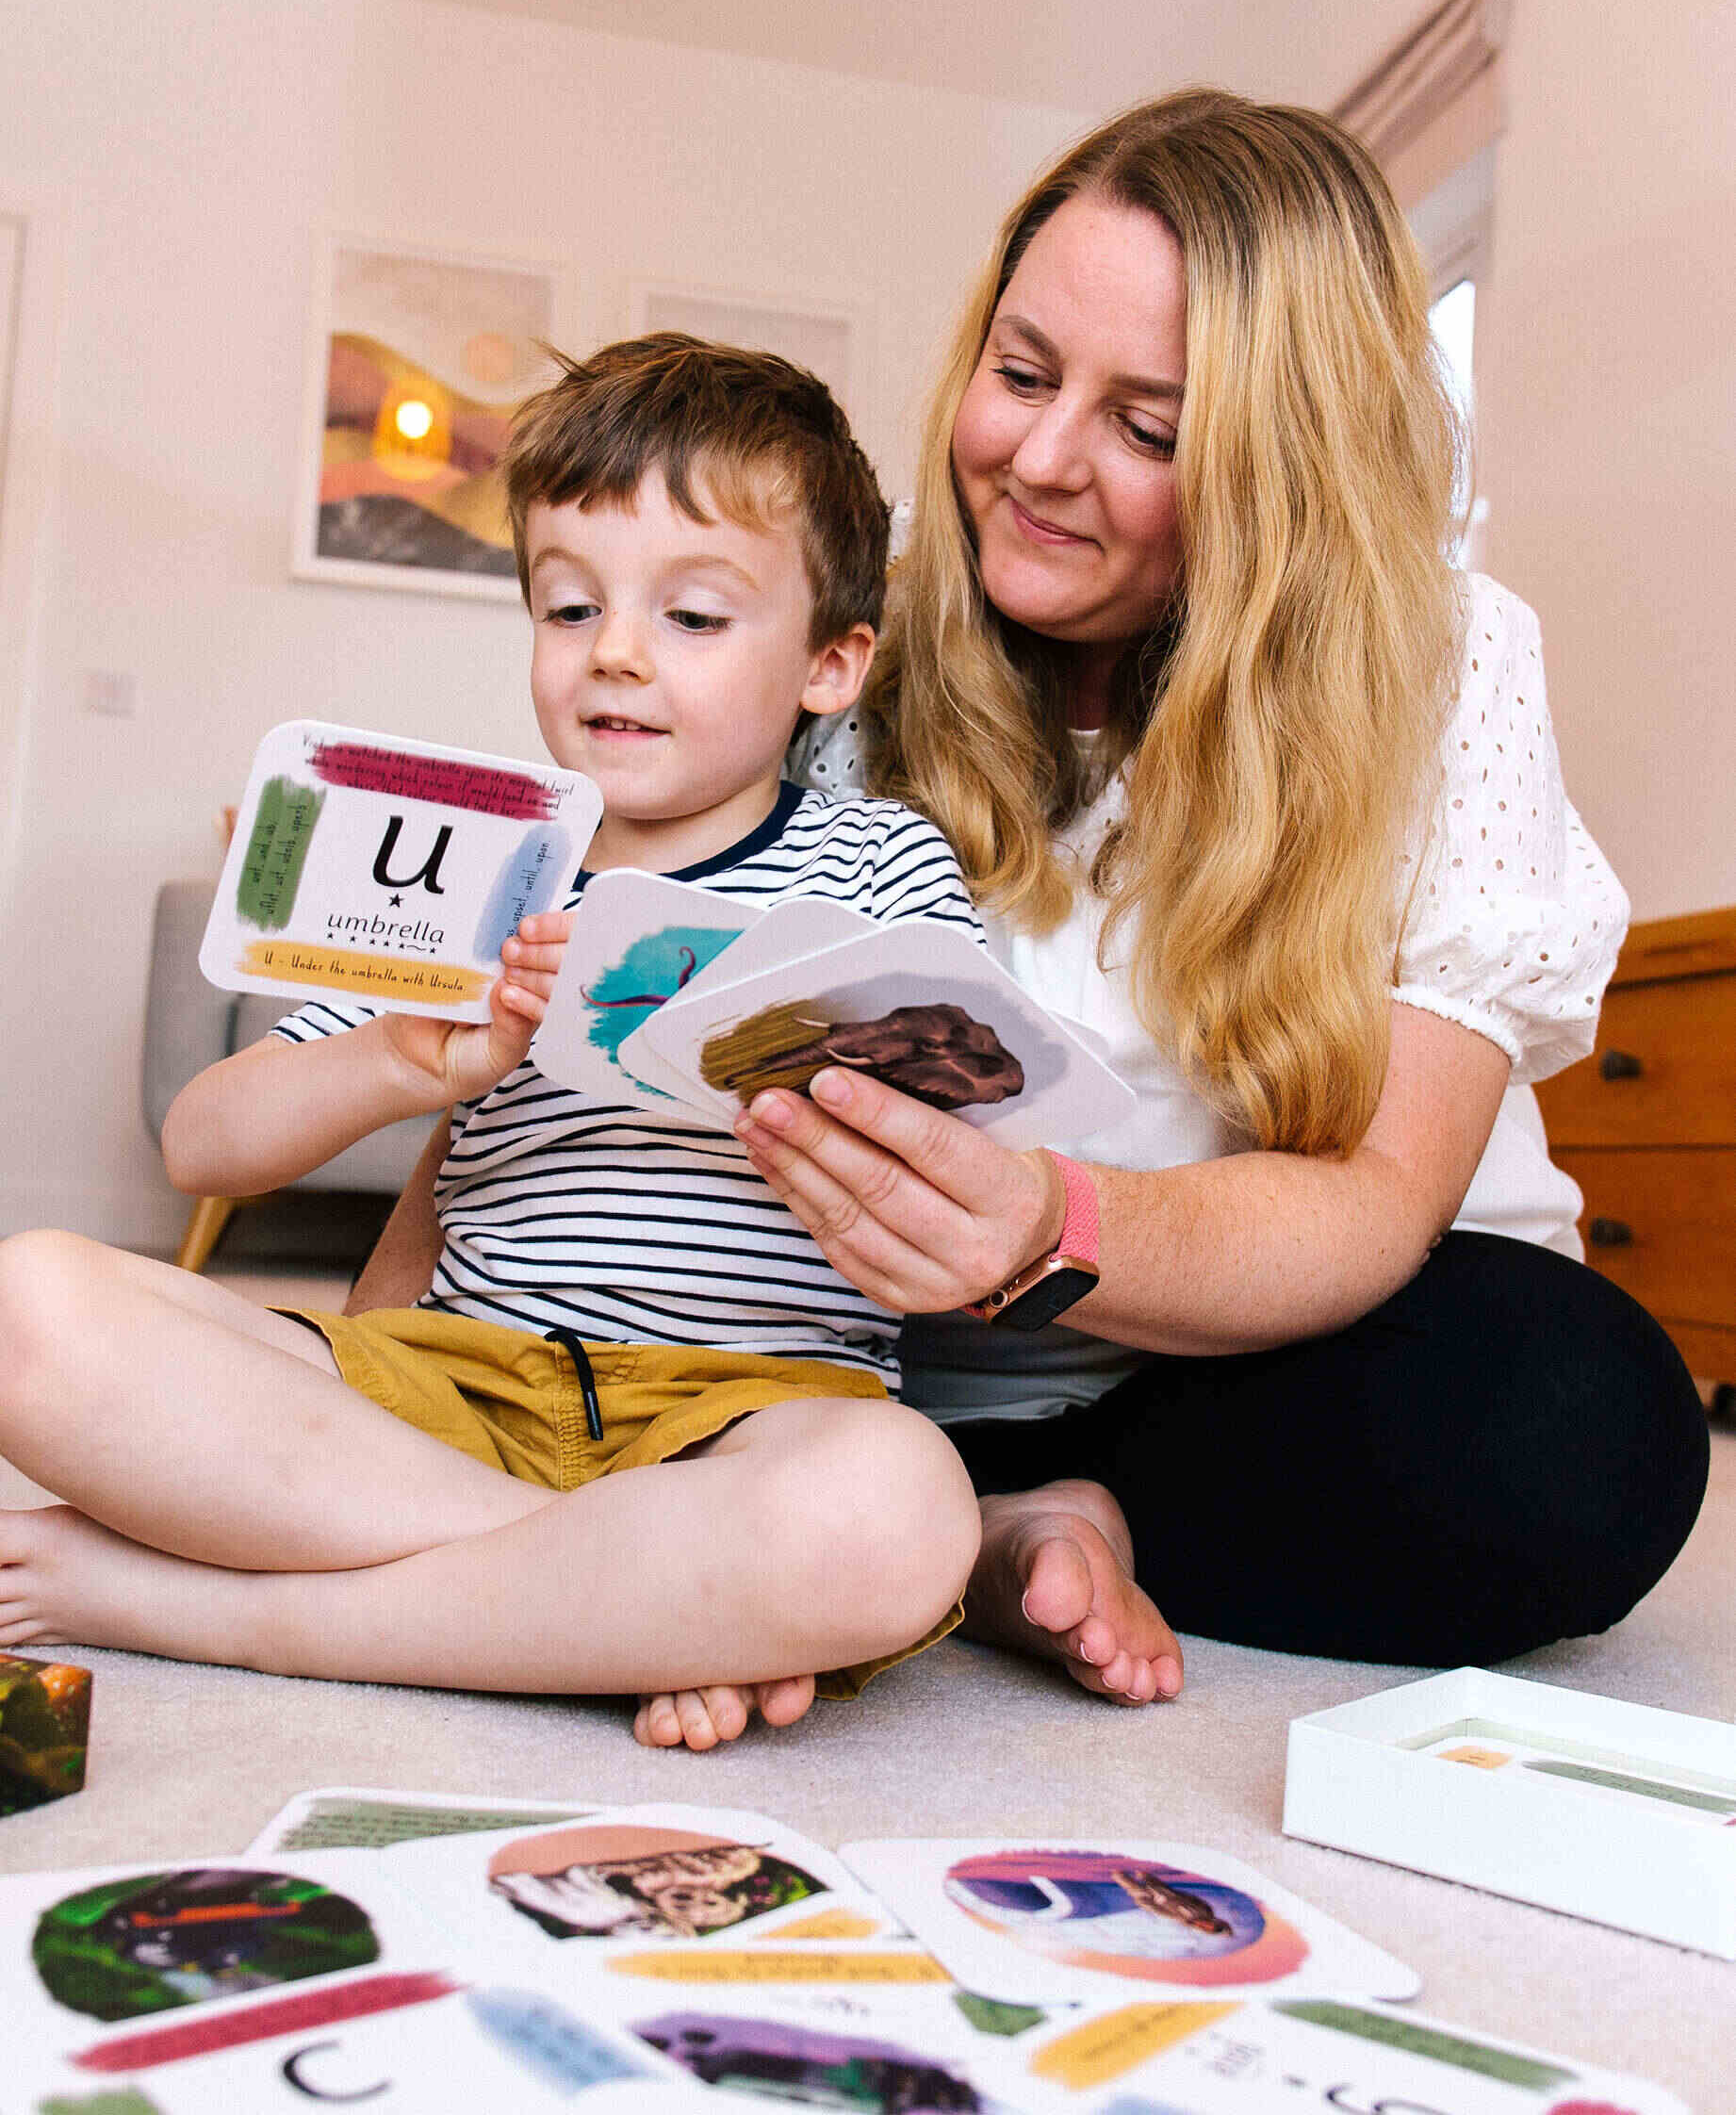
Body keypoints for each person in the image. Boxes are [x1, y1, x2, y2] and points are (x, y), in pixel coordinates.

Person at [753, 90, 1710, 1699]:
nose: (1039, 465)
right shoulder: (845, 619)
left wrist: (1047, 1226)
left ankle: (1023, 1519)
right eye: (1020, 372)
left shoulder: (1446, 662)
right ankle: (971, 1524)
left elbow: (1376, 1200)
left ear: (1284, 470)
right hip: (879, 1359)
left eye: (1148, 429)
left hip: (1244, 1363)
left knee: (1576, 1424)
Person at [0, 335, 984, 1751]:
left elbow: (956, 1126)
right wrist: (403, 1066)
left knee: (894, 1513)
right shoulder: (475, 864)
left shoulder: (878, 863)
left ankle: (214, 1614)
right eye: (568, 607)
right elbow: (202, 1138)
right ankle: (599, 1600)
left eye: (694, 618)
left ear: (832, 664)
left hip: (750, 1412)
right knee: (36, 1302)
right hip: (449, 1389)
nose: (618, 654)